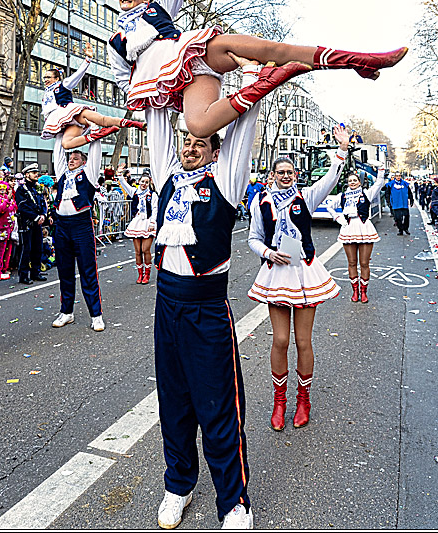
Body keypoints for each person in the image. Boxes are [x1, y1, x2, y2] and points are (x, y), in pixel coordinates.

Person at [110, 0, 407, 142]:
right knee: (198, 126)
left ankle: (363, 60)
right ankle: (273, 78)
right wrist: (143, 97)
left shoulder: (158, 8)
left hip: (191, 53)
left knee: (273, 50)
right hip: (170, 84)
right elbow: (123, 80)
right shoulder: (115, 41)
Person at [145, 56, 278, 531]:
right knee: (174, 403)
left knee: (219, 405)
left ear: (216, 151)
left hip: (206, 308)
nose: (190, 147)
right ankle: (178, 486)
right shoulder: (165, 176)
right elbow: (158, 117)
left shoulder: (225, 179)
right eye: (187, 140)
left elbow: (241, 129)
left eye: (201, 141)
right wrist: (163, 66)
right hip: (167, 304)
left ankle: (234, 501)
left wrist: (248, 81)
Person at [247, 125, 348, 432]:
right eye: (282, 172)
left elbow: (331, 178)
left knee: (303, 340)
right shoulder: (260, 202)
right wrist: (267, 253)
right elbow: (253, 238)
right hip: (277, 272)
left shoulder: (306, 197)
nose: (287, 176)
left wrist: (341, 149)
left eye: (290, 171)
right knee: (280, 339)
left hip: (304, 272)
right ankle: (280, 401)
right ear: (273, 175)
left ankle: (303, 400)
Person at [50, 125, 119, 330]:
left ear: (84, 162)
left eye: (76, 158)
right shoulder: (62, 173)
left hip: (81, 226)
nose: (71, 160)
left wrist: (94, 133)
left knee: (88, 270)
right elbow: (58, 153)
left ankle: (96, 314)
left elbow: (95, 151)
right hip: (62, 226)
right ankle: (66, 311)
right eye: (70, 158)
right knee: (64, 270)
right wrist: (60, 132)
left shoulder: (88, 174)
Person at [39, 46, 146, 149]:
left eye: (48, 77)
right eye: (45, 77)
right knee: (66, 144)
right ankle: (97, 135)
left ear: (57, 78)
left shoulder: (64, 84)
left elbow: (78, 75)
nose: (45, 79)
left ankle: (137, 124)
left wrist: (88, 59)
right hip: (63, 121)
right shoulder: (46, 92)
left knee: (101, 120)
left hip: (70, 112)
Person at [329, 167, 388, 302]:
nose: (352, 182)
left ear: (359, 182)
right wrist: (338, 219)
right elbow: (330, 207)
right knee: (351, 262)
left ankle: (364, 292)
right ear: (347, 183)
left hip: (364, 228)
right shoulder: (342, 196)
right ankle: (355, 291)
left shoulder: (366, 193)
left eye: (355, 180)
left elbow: (379, 183)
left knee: (364, 263)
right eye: (350, 181)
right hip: (348, 228)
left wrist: (380, 170)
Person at [117, 163, 157, 284]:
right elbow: (123, 183)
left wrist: (152, 223)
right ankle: (140, 275)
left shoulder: (153, 195)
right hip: (137, 222)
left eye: (146, 182)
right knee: (138, 251)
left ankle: (147, 274)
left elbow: (155, 209)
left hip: (148, 223)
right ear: (139, 181)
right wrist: (119, 172)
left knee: (146, 250)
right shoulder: (134, 192)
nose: (144, 184)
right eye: (142, 181)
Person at [16, 164, 49, 285]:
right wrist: (35, 217)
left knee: (37, 247)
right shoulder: (22, 189)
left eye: (36, 172)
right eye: (33, 172)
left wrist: (44, 215)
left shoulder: (38, 188)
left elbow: (43, 203)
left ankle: (36, 272)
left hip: (38, 222)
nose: (36, 174)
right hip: (27, 223)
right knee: (27, 249)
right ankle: (23, 275)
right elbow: (22, 206)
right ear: (26, 174)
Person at [0, 181, 16, 280]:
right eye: (0, 187)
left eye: (4, 187)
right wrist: (8, 201)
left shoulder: (7, 197)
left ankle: (5, 269)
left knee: (7, 250)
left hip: (9, 228)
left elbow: (14, 208)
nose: (2, 189)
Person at [385, 171, 414, 235]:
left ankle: (406, 228)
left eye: (399, 176)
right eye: (397, 176)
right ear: (395, 177)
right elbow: (387, 193)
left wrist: (411, 200)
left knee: (406, 217)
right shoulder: (390, 184)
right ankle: (400, 229)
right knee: (398, 218)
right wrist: (388, 201)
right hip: (396, 204)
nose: (398, 177)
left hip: (404, 203)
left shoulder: (405, 184)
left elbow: (409, 192)